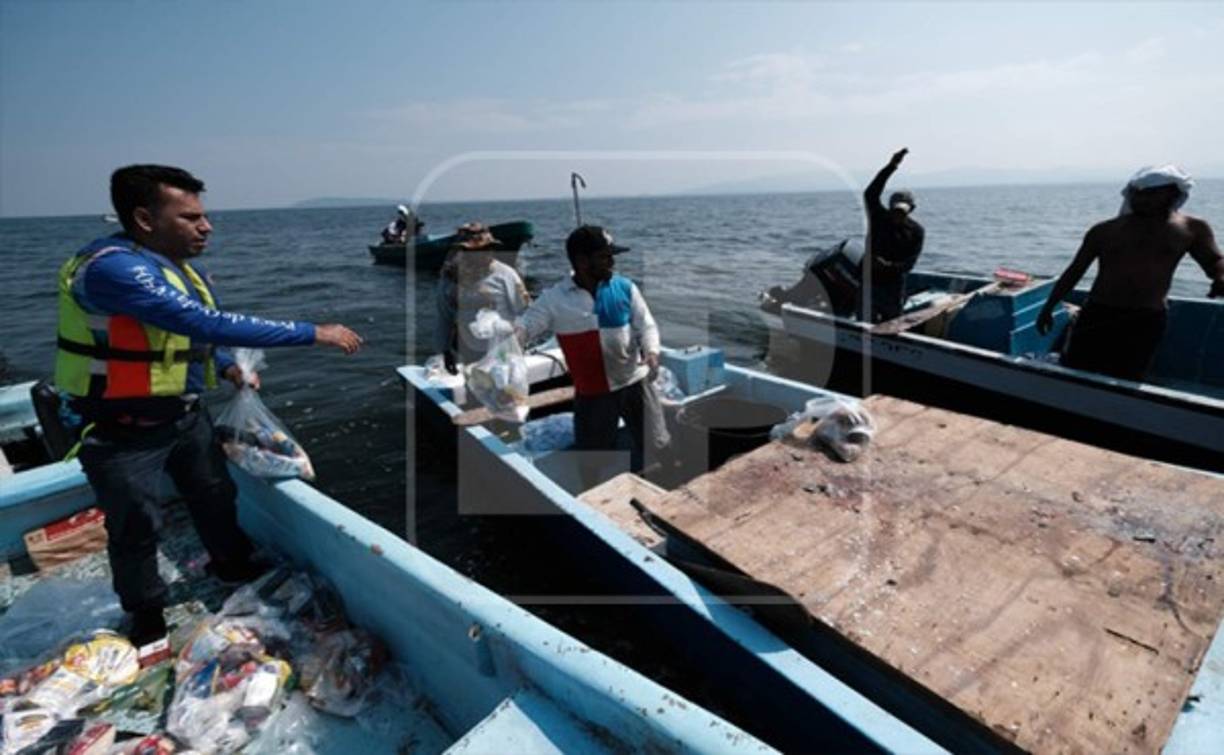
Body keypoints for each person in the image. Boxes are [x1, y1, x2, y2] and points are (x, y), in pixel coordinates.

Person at [56, 164, 364, 646]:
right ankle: (147, 618)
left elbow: (194, 335)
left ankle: (231, 566)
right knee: (136, 526)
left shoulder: (176, 269)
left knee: (215, 495)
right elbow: (201, 322)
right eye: (190, 217)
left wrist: (227, 367)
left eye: (203, 215)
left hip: (185, 416)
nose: (207, 226)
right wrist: (313, 332)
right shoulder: (113, 270)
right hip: (122, 429)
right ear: (144, 219)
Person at [1037, 165, 1224, 381]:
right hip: (1098, 312)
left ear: (1173, 194)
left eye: (1150, 194)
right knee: (1075, 372)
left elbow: (1214, 261)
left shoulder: (1191, 229)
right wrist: (1049, 307)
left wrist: (1220, 277)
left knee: (1128, 376)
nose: (1140, 199)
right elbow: (1074, 271)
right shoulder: (1104, 231)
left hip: (1145, 318)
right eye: (1136, 193)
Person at [516, 225, 670, 482]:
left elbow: (646, 326)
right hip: (593, 393)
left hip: (635, 382)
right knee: (592, 458)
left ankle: (662, 482)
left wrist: (652, 351)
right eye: (604, 256)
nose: (612, 262)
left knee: (658, 442)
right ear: (582, 261)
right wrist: (504, 337)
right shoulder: (554, 299)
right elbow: (525, 327)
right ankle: (593, 494)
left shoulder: (625, 287)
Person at [436, 222, 530, 373]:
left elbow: (525, 312)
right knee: (474, 385)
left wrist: (519, 346)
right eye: (473, 251)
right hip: (467, 349)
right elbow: (444, 317)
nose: (482, 254)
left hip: (502, 349)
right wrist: (445, 351)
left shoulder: (506, 275)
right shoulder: (450, 278)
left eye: (487, 248)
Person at [860, 148, 925, 322]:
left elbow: (909, 263)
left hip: (894, 285)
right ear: (889, 207)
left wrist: (887, 266)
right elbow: (870, 193)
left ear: (911, 209)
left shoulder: (916, 231)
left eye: (902, 211)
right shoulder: (878, 217)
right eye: (895, 210)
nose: (898, 215)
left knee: (892, 323)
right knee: (864, 321)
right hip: (869, 280)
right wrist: (892, 165)